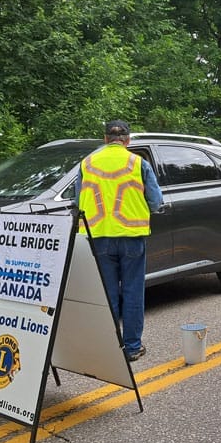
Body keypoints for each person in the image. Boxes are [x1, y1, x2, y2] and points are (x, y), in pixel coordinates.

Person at [76, 120, 163, 361]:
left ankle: (110, 349)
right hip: (131, 237)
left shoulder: (87, 164)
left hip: (99, 237)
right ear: (127, 141)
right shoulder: (138, 163)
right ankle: (132, 347)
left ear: (104, 139)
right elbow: (156, 202)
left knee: (108, 295)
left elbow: (77, 202)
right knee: (133, 293)